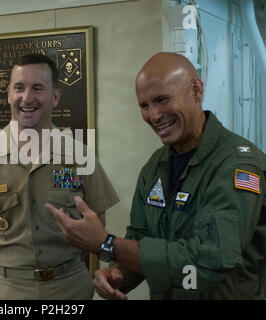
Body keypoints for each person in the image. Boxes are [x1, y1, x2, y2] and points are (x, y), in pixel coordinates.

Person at [46, 52, 266, 299]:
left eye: (162, 100)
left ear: (196, 91)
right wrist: (119, 275)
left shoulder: (238, 165)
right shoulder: (156, 166)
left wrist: (107, 244)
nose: (154, 115)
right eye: (144, 105)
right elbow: (142, 238)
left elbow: (207, 264)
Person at [0, 54, 119, 299]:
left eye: (37, 88)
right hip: (5, 292)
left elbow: (97, 222)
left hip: (69, 289)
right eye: (19, 88)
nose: (27, 98)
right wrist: (4, 267)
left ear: (56, 97)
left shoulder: (80, 158)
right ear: (8, 94)